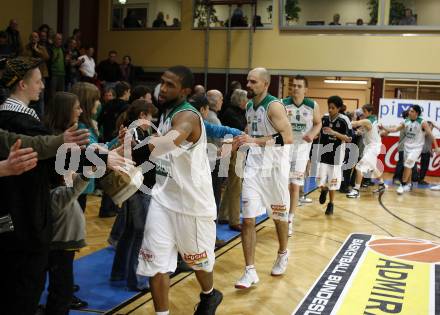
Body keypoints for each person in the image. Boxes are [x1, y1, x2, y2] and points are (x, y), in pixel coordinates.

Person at [0, 57, 89, 315]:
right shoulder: (23, 122)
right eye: (38, 81)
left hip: (12, 217)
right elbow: (52, 162)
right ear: (21, 84)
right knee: (24, 288)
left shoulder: (17, 119)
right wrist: (100, 157)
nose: (42, 87)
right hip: (25, 218)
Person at [137, 65, 223, 314]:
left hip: (192, 204)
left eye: (170, 85)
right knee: (155, 264)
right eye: (162, 82)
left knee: (199, 263)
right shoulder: (166, 112)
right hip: (163, 199)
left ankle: (210, 294)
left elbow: (171, 140)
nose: (162, 89)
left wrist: (139, 147)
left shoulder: (188, 115)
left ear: (184, 91)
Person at [233, 67, 293, 289]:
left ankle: (283, 252)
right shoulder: (249, 105)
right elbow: (252, 130)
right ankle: (249, 271)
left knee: (279, 217)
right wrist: (241, 139)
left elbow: (287, 138)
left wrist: (254, 140)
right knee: (247, 219)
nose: (248, 85)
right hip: (253, 168)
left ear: (265, 84)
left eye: (253, 82)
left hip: (274, 169)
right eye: (247, 81)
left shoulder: (274, 106)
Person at [282, 75, 321, 236]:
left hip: (302, 150)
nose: (295, 88)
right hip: (284, 149)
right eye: (294, 85)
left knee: (294, 185)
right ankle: (282, 215)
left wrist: (312, 133)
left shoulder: (312, 105)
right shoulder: (283, 104)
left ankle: (290, 219)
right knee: (282, 184)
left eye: (299, 86)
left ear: (306, 89)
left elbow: (318, 123)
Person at [380, 105, 438, 194]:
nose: (409, 112)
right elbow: (395, 129)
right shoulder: (405, 121)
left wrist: (436, 147)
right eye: (409, 111)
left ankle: (402, 185)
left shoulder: (422, 122)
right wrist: (384, 127)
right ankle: (408, 184)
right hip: (407, 147)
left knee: (408, 163)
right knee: (409, 166)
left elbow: (431, 135)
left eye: (412, 111)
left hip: (417, 148)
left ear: (417, 113)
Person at [218, 88, 247, 231]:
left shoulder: (234, 112)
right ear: (240, 100)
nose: (246, 102)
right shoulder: (231, 113)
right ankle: (234, 220)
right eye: (245, 100)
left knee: (231, 183)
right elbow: (242, 130)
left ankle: (223, 215)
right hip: (232, 150)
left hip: (232, 149)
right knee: (236, 185)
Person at [317, 96, 352, 215]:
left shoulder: (344, 120)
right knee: (320, 181)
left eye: (333, 108)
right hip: (323, 153)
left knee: (333, 181)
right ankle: (323, 190)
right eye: (329, 107)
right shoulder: (324, 118)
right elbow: (318, 132)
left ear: (339, 108)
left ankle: (331, 204)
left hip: (337, 155)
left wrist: (334, 133)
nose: (330, 110)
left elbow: (348, 139)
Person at [346, 104, 385, 198]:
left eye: (365, 111)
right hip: (372, 146)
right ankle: (382, 185)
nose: (363, 113)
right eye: (363, 111)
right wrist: (359, 132)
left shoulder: (367, 120)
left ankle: (356, 190)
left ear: (370, 112)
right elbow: (367, 130)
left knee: (359, 167)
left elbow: (354, 123)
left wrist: (351, 117)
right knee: (373, 167)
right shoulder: (373, 119)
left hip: (373, 147)